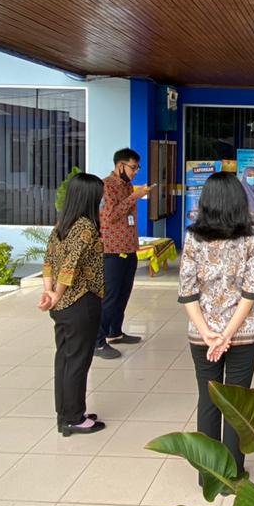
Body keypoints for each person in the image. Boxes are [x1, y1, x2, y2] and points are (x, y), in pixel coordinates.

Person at [178, 171, 254, 482]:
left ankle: (209, 474)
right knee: (236, 401)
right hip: (244, 332)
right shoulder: (253, 236)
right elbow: (251, 291)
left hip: (202, 333)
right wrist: (227, 334)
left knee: (208, 398)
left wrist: (207, 333)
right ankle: (233, 472)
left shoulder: (193, 236)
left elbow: (187, 290)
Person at [39, 172, 107, 437]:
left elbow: (48, 261)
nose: (102, 201)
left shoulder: (62, 225)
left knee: (65, 359)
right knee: (78, 360)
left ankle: (66, 414)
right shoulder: (86, 227)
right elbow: (71, 265)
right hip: (81, 302)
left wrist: (49, 293)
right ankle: (74, 418)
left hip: (62, 307)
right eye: (100, 197)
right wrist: (56, 293)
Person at [96, 148, 152, 358]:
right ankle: (97, 342)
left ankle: (115, 332)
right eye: (133, 167)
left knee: (123, 294)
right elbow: (109, 216)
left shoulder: (127, 186)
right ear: (120, 166)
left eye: (137, 168)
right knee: (110, 296)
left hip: (129, 248)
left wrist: (133, 195)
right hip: (112, 250)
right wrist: (134, 197)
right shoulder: (106, 186)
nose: (136, 172)